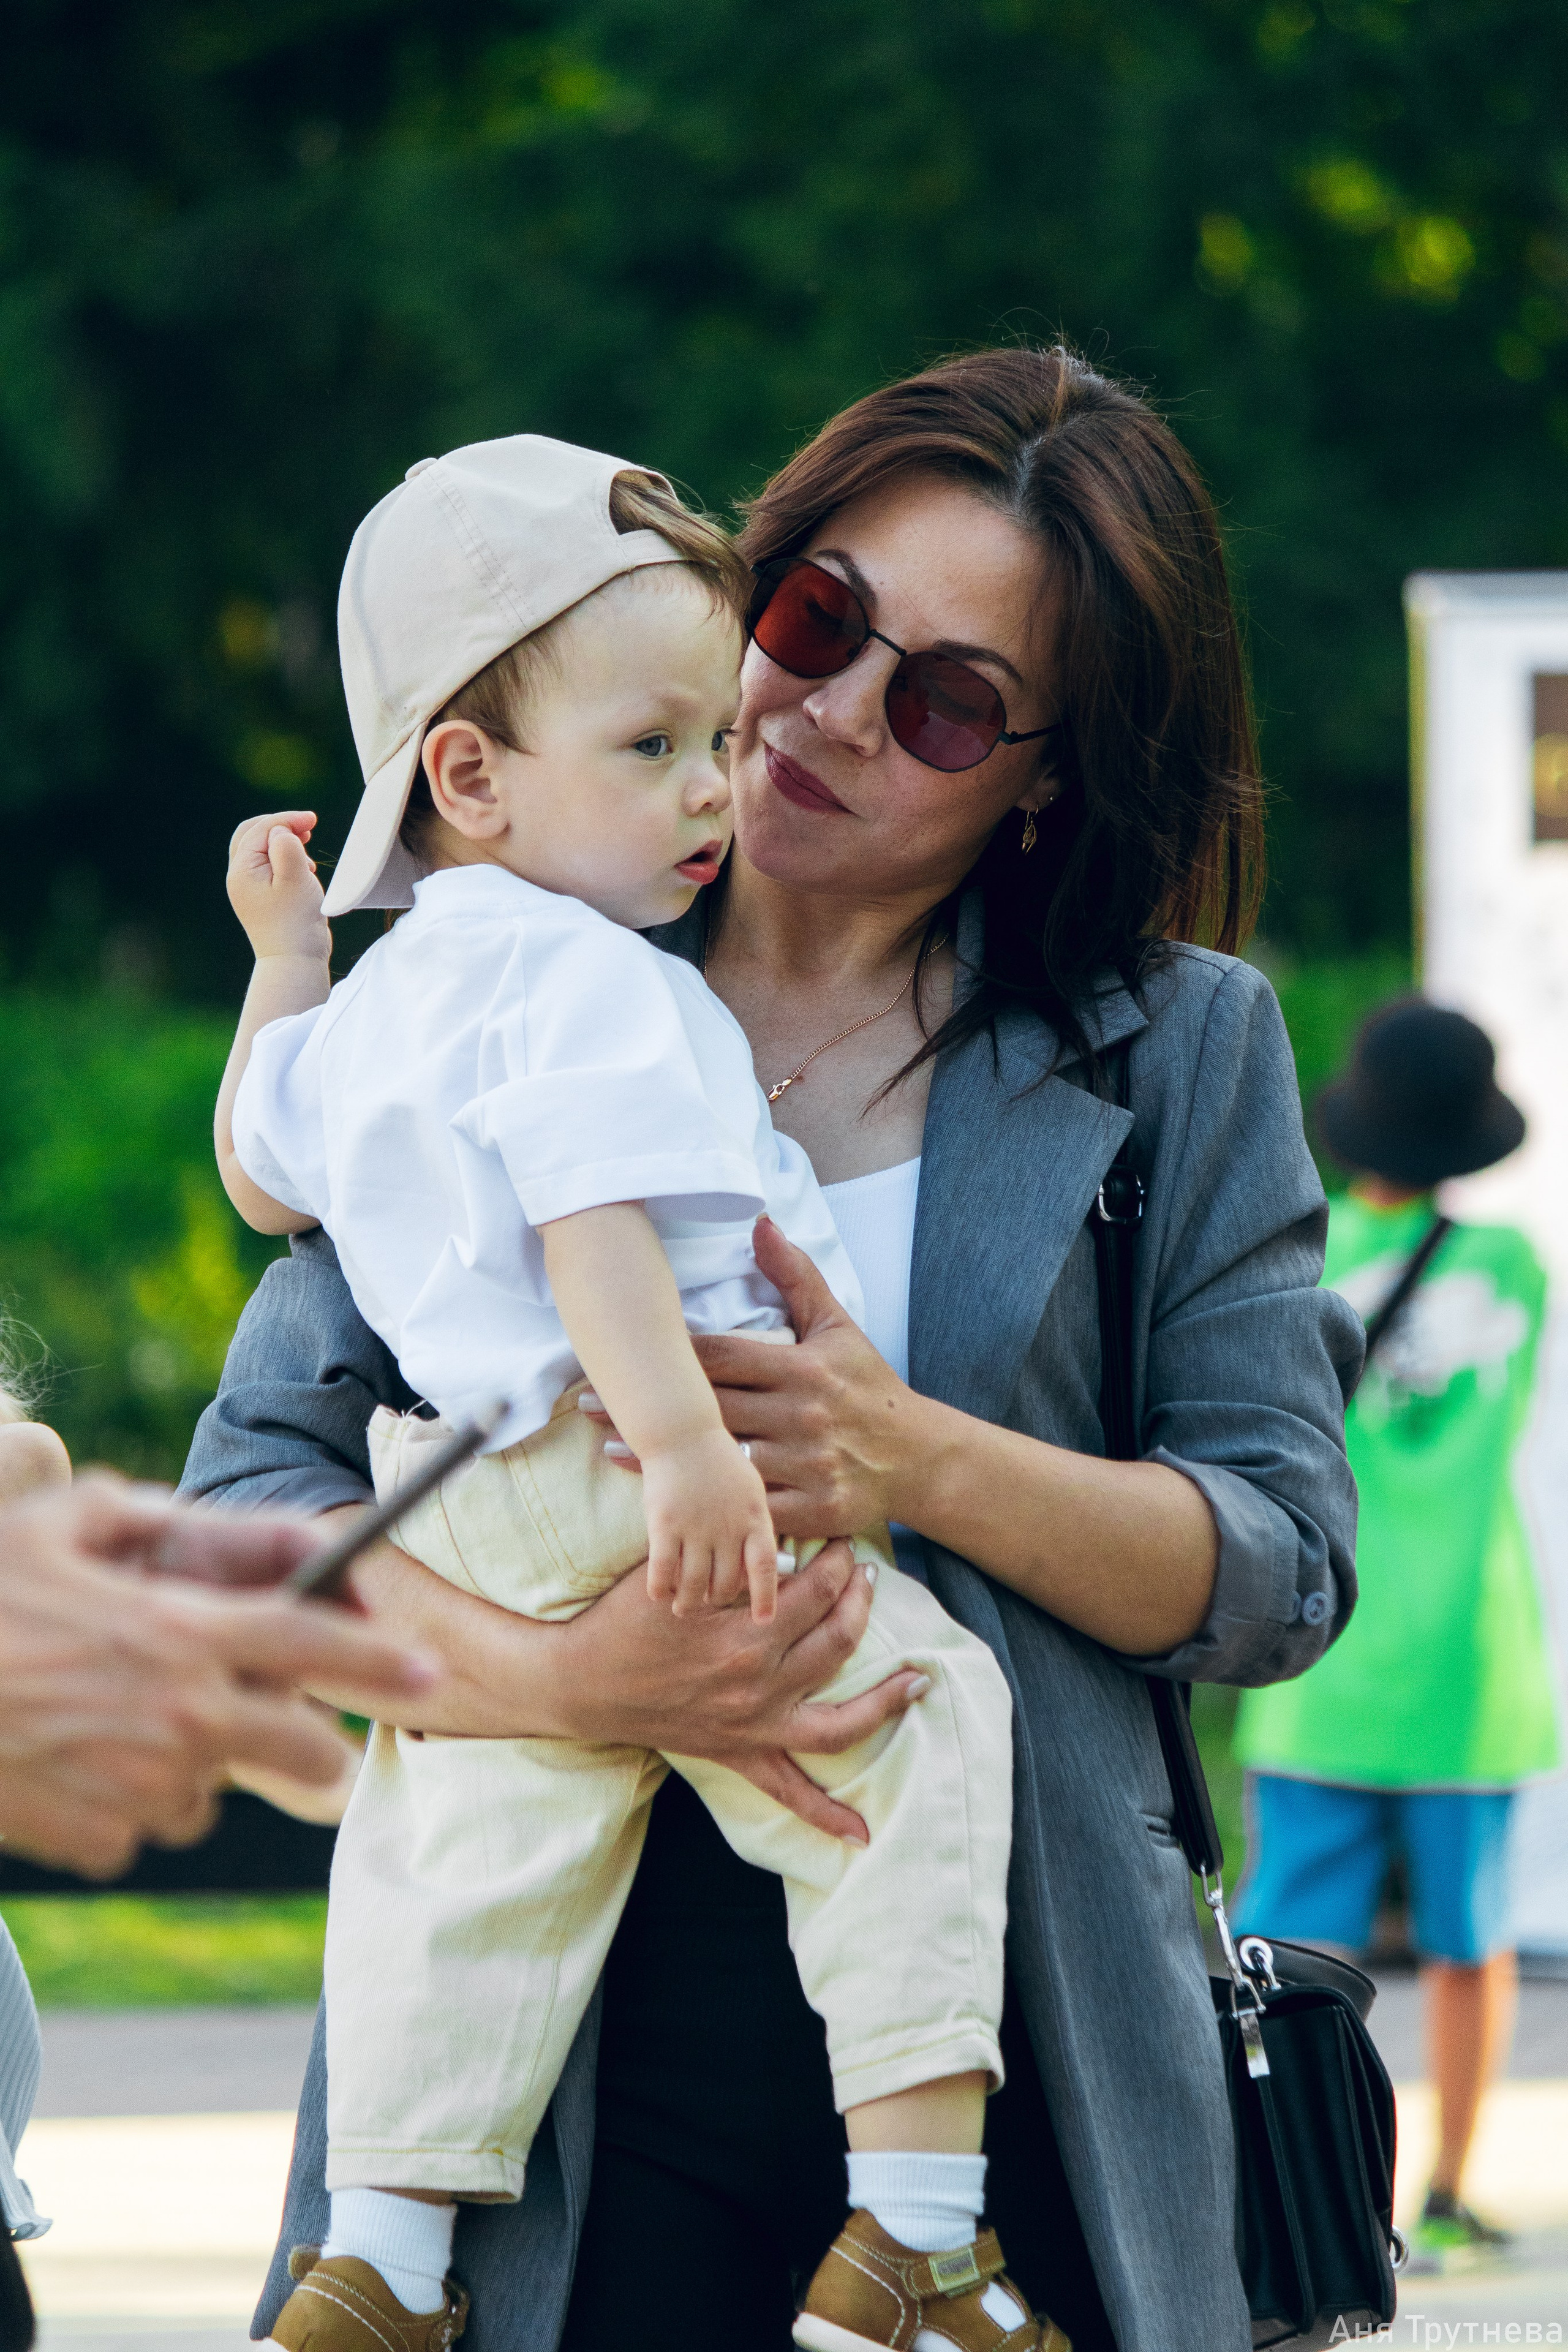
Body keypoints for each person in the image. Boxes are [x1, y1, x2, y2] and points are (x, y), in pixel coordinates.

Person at [183, 344, 1362, 2352]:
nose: (827, 713)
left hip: (1013, 2074)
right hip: (558, 2103)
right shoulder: (492, 977)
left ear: (1046, 773)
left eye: (949, 701)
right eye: (816, 620)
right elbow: (248, 1521)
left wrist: (912, 1461)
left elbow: (1280, 1566)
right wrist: (566, 1675)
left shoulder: (1178, 1046)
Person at [216, 437, 1033, 2352]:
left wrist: (287, 962)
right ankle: (919, 2233)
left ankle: (383, 2255)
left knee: (464, 1851)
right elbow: (594, 1223)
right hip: (640, 1447)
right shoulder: (588, 975)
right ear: (470, 776)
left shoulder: (384, 1001)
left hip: (467, 1490)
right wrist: (688, 1457)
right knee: (920, 1719)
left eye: (707, 739)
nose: (714, 787)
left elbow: (258, 1167)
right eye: (657, 746)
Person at [1234, 996, 1561, 2262]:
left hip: (1318, 1656)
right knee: (1468, 1948)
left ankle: (1280, 2192)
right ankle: (1447, 2195)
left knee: (1279, 1954)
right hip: (1472, 1670)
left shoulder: (1295, 1254)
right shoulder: (1514, 1268)